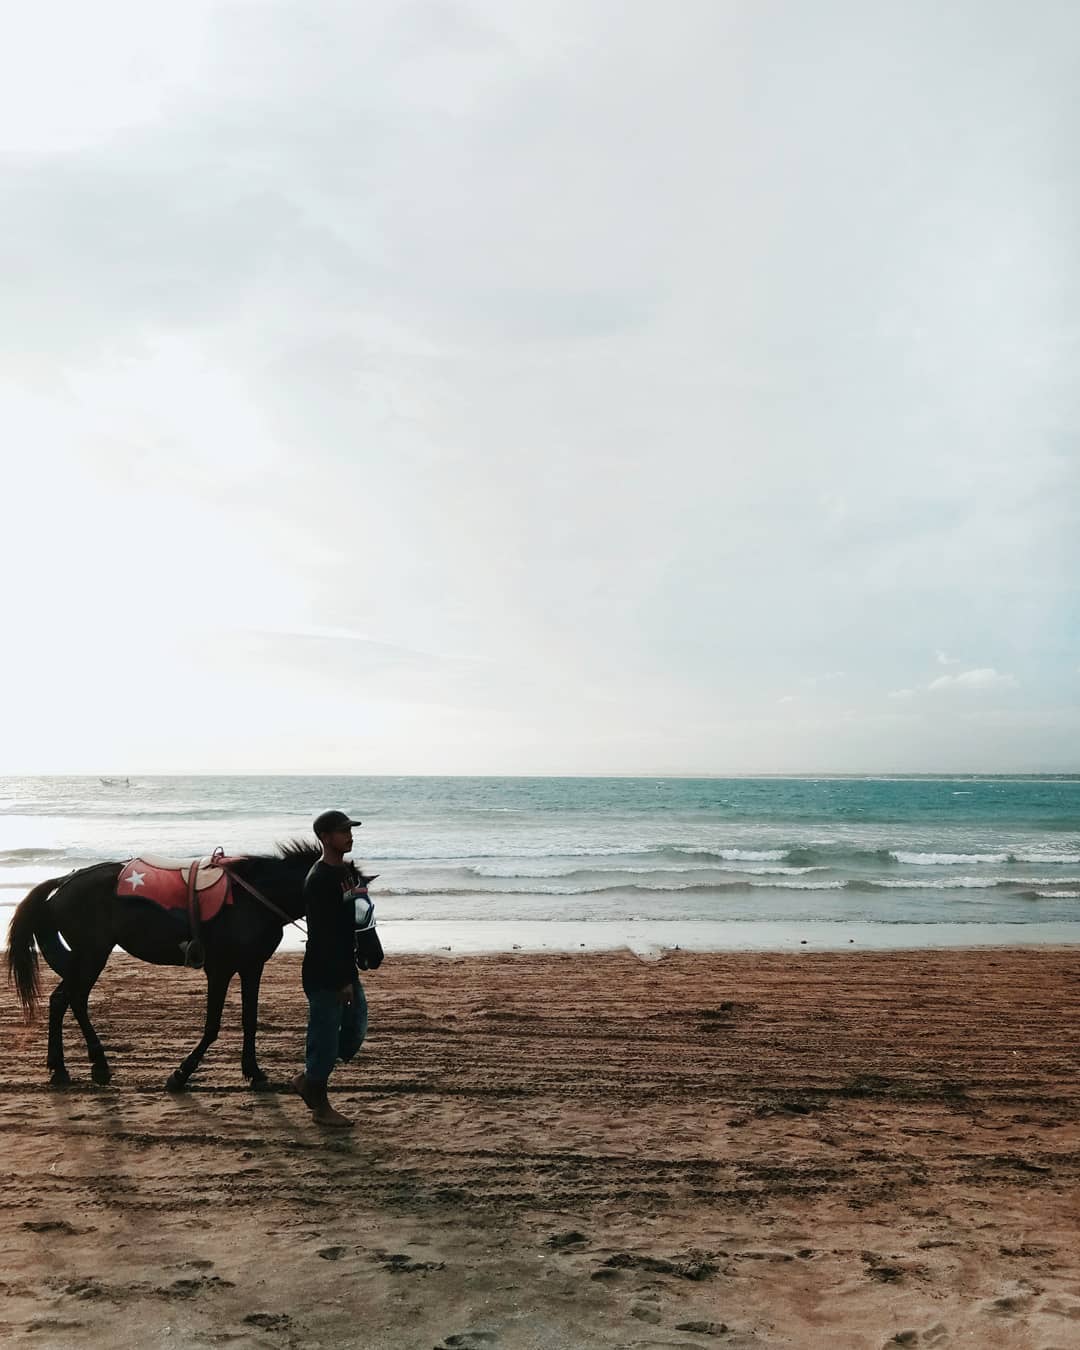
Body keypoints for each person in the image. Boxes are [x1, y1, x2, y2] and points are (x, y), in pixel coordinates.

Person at [291, 809, 383, 1128]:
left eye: (350, 830)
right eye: (343, 831)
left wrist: (363, 950)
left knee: (355, 1029)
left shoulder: (344, 872)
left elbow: (350, 921)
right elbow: (324, 937)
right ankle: (320, 1105)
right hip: (325, 972)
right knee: (326, 1040)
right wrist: (341, 979)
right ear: (325, 838)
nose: (350, 835)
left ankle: (308, 1078)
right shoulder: (318, 880)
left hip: (343, 966)